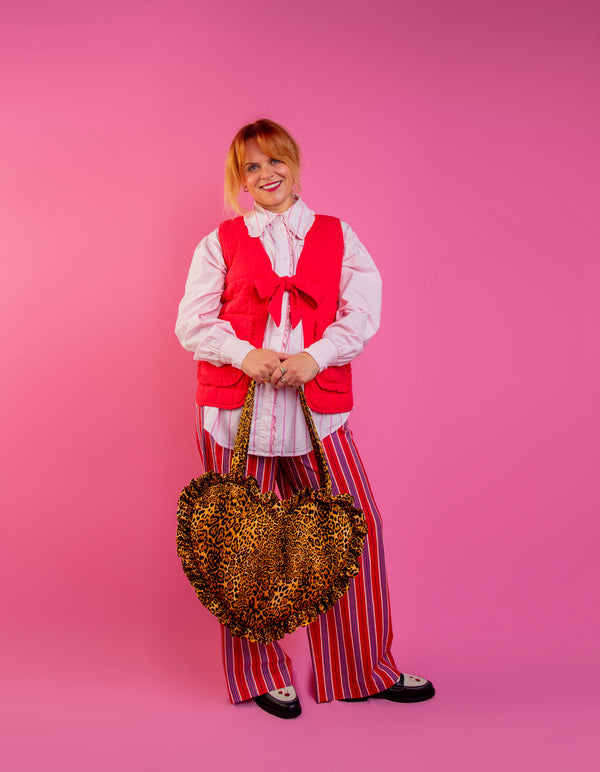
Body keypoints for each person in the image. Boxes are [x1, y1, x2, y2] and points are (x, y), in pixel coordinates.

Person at [175, 119, 435, 719]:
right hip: (231, 414)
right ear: (239, 181)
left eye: (275, 162)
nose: (266, 176)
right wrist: (249, 354)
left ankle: (360, 669)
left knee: (353, 532)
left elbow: (361, 314)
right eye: (252, 168)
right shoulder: (219, 242)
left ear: (295, 163)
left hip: (316, 412)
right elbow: (192, 320)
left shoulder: (339, 236)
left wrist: (313, 357)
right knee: (242, 543)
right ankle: (259, 675)